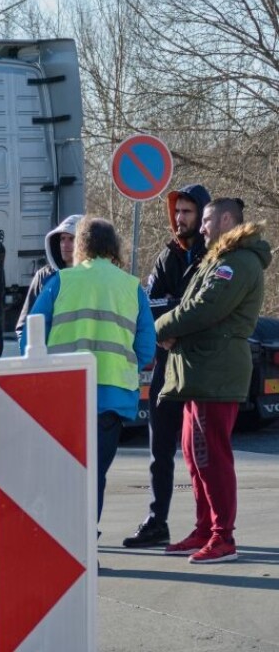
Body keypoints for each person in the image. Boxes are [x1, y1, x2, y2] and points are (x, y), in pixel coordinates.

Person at [155, 198, 270, 564]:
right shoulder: (218, 258)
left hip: (215, 373)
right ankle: (205, 528)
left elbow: (206, 308)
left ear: (225, 219)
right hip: (199, 371)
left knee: (211, 457)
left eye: (205, 220)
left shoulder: (237, 261)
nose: (200, 227)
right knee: (193, 454)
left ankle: (223, 537)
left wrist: (161, 327)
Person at [23, 217, 156, 524]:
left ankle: (61, 542)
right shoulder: (132, 288)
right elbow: (147, 348)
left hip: (62, 394)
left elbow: (30, 332)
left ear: (81, 246)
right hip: (111, 398)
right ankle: (86, 544)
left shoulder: (61, 281)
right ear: (114, 248)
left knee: (62, 475)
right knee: (93, 475)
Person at [124, 184, 211, 548]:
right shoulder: (167, 256)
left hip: (200, 365)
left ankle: (207, 524)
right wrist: (166, 327)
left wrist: (173, 315)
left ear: (201, 215)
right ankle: (157, 519)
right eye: (177, 211)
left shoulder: (215, 256)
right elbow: (151, 303)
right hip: (166, 363)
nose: (180, 218)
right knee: (160, 448)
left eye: (188, 212)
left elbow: (206, 310)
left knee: (201, 452)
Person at [15, 213, 82, 344]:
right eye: (62, 238)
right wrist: (31, 356)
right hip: (49, 359)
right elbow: (24, 326)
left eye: (72, 239)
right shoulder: (44, 276)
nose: (65, 244)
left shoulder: (89, 278)